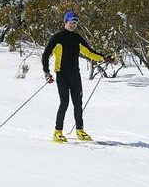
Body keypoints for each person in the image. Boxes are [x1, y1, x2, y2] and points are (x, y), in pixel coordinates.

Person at [41, 10, 113, 143]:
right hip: (61, 74)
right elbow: (46, 55)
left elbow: (89, 52)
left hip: (75, 74)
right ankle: (57, 132)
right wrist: (47, 72)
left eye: (75, 22)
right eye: (71, 22)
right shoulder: (57, 38)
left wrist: (104, 57)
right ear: (65, 22)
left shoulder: (77, 38)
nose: (73, 25)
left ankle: (80, 130)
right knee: (64, 102)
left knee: (78, 103)